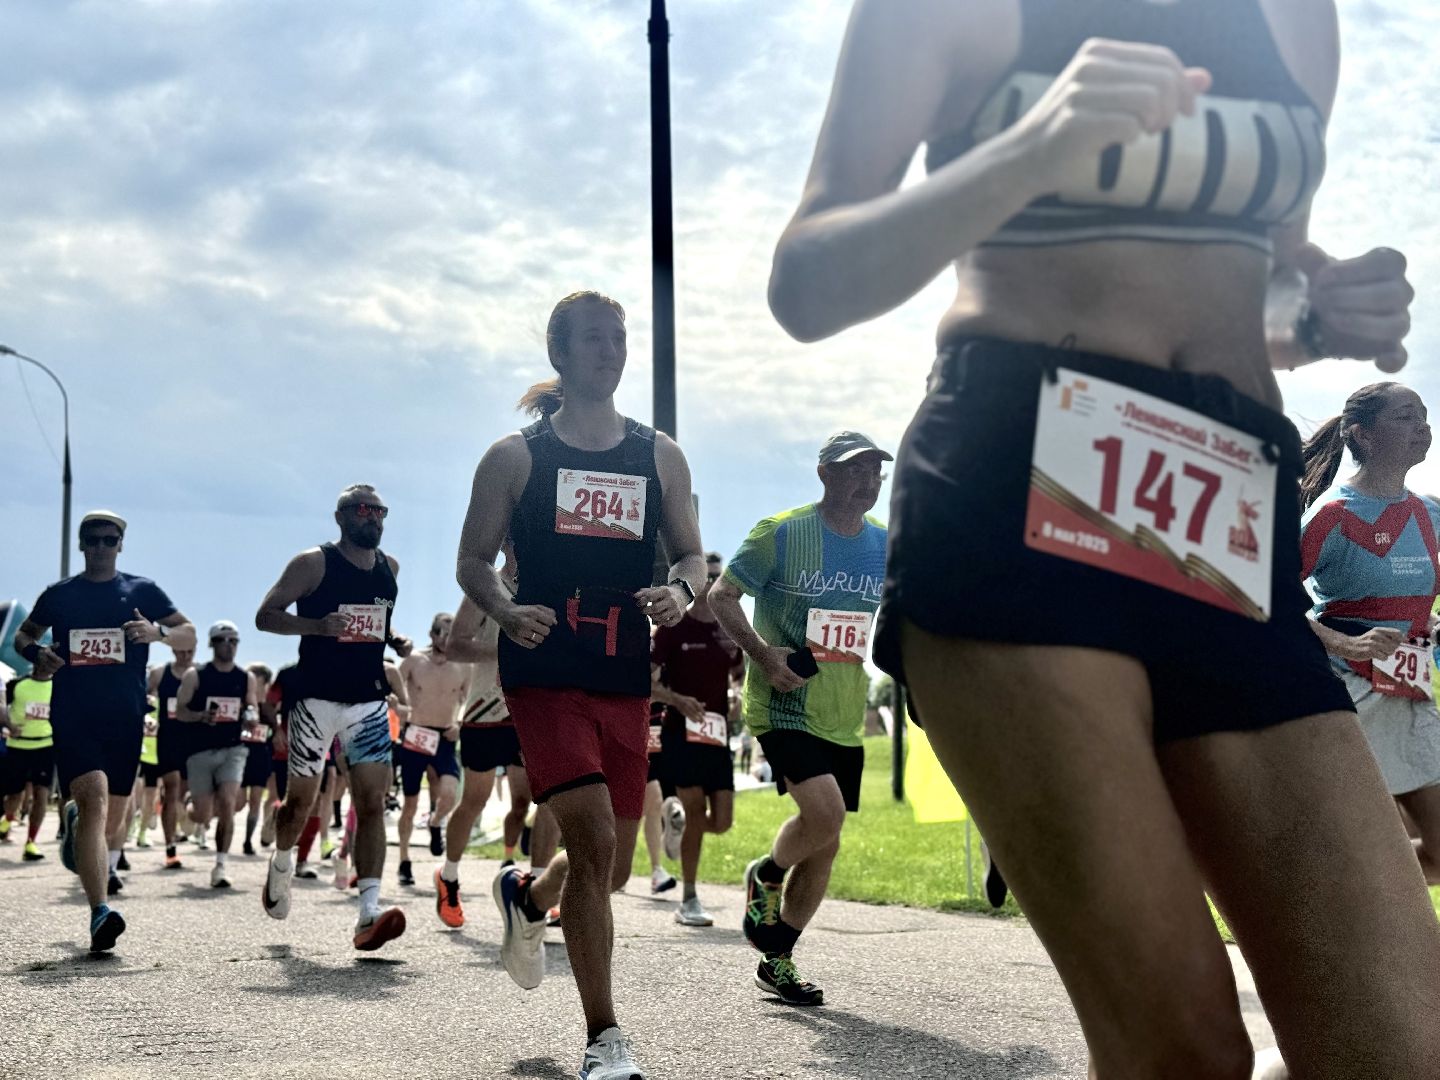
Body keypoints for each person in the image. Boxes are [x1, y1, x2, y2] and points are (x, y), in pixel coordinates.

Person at [770, 2, 1437, 1074]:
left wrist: (1319, 316)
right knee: (1182, 1052)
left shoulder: (1294, 18)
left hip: (1229, 514)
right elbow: (805, 281)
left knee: (1404, 1049)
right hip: (1022, 480)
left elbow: (1263, 278)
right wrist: (1030, 149)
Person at [456, 291, 706, 1080]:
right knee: (595, 840)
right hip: (545, 667)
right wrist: (502, 605)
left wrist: (682, 593)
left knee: (614, 866)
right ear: (560, 355)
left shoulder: (659, 455)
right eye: (594, 339)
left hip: (623, 672)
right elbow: (473, 560)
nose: (611, 350)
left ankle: (530, 899)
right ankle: (606, 1040)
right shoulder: (516, 458)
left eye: (619, 338)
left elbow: (692, 556)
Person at [710, 432, 889, 1004]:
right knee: (826, 814)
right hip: (783, 701)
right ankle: (766, 871)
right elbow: (722, 596)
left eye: (875, 471)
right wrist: (764, 655)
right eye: (854, 469)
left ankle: (778, 956)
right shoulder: (781, 533)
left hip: (843, 710)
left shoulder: (887, 545)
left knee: (827, 842)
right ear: (824, 474)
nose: (867, 480)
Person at [13, 510, 196, 952]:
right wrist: (38, 655)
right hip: (74, 713)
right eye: (92, 540)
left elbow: (188, 633)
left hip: (126, 716)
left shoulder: (141, 590)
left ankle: (78, 839)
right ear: (81, 544)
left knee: (113, 817)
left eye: (109, 540)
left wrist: (157, 633)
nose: (100, 547)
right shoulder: (60, 595)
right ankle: (99, 911)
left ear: (120, 544)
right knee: (93, 797)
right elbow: (22, 637)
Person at [255, 485, 411, 951]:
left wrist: (396, 639)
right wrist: (315, 627)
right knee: (299, 806)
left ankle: (368, 912)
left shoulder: (391, 568)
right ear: (341, 517)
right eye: (364, 510)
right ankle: (282, 862)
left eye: (380, 510)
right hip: (315, 701)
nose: (374, 518)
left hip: (367, 702)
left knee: (371, 803)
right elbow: (266, 616)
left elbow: (374, 622)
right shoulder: (313, 563)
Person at [1300, 383, 1440, 883]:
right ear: (1364, 433)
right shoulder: (1329, 517)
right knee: (1357, 844)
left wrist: (1429, 624)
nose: (1422, 425)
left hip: (1412, 691)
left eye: (1424, 414)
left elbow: (1420, 593)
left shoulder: (1429, 512)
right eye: (1405, 416)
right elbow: (1267, 602)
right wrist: (1343, 642)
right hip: (1350, 693)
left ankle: (1348, 901)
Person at [436, 546, 534, 928]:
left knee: (526, 798)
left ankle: (533, 883)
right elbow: (455, 646)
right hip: (483, 711)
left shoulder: (547, 583)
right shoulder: (486, 586)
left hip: (527, 709)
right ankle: (449, 876)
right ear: (508, 542)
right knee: (474, 800)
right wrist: (506, 644)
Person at [650, 551, 745, 924]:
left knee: (721, 821)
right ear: (695, 584)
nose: (713, 584)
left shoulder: (730, 629)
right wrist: (677, 699)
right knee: (693, 810)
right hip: (680, 734)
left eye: (720, 577)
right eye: (707, 578)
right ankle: (689, 898)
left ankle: (676, 833)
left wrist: (737, 696)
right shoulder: (674, 628)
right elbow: (647, 682)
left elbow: (739, 675)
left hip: (717, 737)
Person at [174, 621, 260, 888]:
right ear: (212, 644)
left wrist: (250, 719)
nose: (229, 645)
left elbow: (253, 710)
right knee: (202, 813)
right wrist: (201, 715)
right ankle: (191, 809)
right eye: (224, 640)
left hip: (233, 749)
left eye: (234, 641)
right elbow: (180, 711)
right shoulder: (195, 676)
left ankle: (220, 865)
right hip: (199, 751)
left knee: (227, 801)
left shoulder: (246, 677)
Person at [394, 612, 468, 888]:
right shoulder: (413, 661)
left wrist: (460, 724)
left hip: (445, 737)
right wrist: (398, 709)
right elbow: (393, 693)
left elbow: (469, 702)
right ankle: (404, 861)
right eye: (443, 634)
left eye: (452, 635)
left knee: (449, 795)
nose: (448, 640)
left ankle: (436, 823)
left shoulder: (464, 666)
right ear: (432, 634)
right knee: (410, 804)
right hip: (415, 735)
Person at [148, 645, 196, 869]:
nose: (185, 656)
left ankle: (185, 811)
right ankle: (170, 849)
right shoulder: (160, 673)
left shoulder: (199, 673)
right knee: (172, 788)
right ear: (174, 650)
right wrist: (147, 708)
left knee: (184, 792)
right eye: (181, 651)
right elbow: (144, 694)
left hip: (193, 740)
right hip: (167, 738)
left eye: (189, 651)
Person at [2, 666, 54, 861]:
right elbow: (1, 705)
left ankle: (31, 842)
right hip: (18, 746)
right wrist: (9, 725)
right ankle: (7, 819)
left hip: (45, 746)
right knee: (15, 794)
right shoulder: (17, 685)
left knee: (42, 794)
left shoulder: (58, 687)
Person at [241, 662, 275, 855]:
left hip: (261, 756)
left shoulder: (269, 708)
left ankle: (247, 841)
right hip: (240, 754)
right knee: (237, 803)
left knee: (255, 800)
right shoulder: (241, 703)